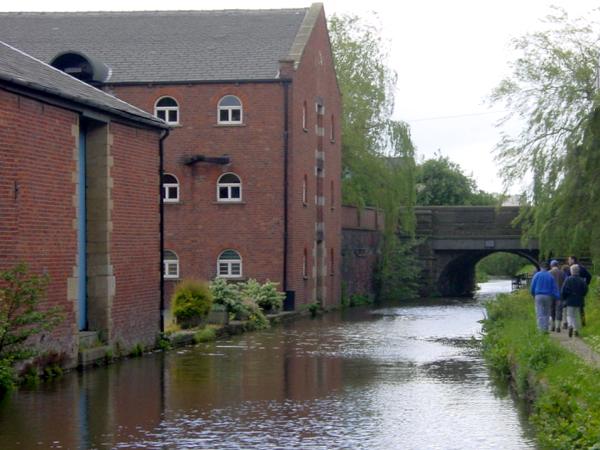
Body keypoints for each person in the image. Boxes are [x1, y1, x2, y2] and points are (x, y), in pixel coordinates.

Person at [530, 262, 560, 333]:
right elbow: (554, 288)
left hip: (538, 296)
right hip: (548, 296)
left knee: (539, 312)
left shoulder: (537, 275)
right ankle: (546, 329)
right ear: (547, 268)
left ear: (540, 267)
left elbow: (532, 286)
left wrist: (533, 294)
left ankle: (540, 329)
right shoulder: (550, 276)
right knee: (547, 313)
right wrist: (557, 296)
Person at [561, 264, 588, 338]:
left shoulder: (568, 279)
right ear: (578, 271)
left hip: (569, 300)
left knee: (570, 315)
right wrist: (581, 295)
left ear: (571, 271)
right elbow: (585, 290)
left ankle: (570, 326)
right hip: (579, 300)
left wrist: (564, 298)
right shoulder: (581, 280)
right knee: (577, 315)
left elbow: (563, 290)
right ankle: (576, 330)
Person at [568, 256, 592, 326]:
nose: (568, 261)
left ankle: (572, 324)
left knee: (571, 308)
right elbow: (589, 276)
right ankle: (583, 322)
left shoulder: (571, 269)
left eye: (569, 260)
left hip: (572, 290)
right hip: (580, 289)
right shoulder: (582, 267)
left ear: (573, 260)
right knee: (581, 308)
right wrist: (585, 284)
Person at [549, 260, 566, 332]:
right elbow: (566, 283)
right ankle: (558, 327)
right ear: (557, 265)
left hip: (551, 294)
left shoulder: (548, 273)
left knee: (551, 310)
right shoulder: (562, 273)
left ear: (551, 265)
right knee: (559, 310)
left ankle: (552, 326)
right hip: (560, 294)